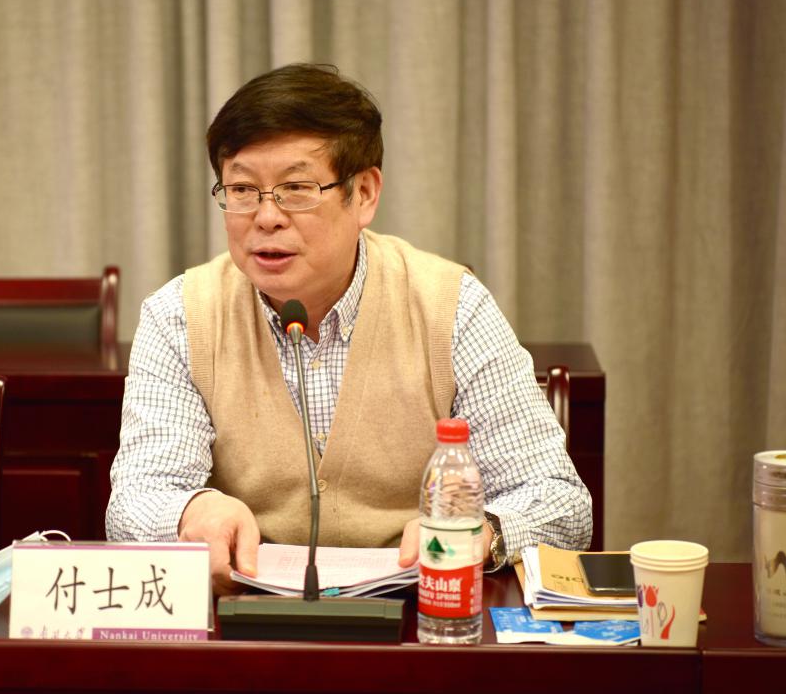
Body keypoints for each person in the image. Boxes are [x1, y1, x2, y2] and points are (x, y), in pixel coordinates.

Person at [106, 63, 591, 593]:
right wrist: (190, 511)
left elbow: (558, 499)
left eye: (296, 188)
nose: (266, 217)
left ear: (364, 194)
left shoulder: (451, 306)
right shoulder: (180, 316)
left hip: (418, 616)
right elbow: (135, 500)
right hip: (246, 616)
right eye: (242, 189)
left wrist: (484, 531)